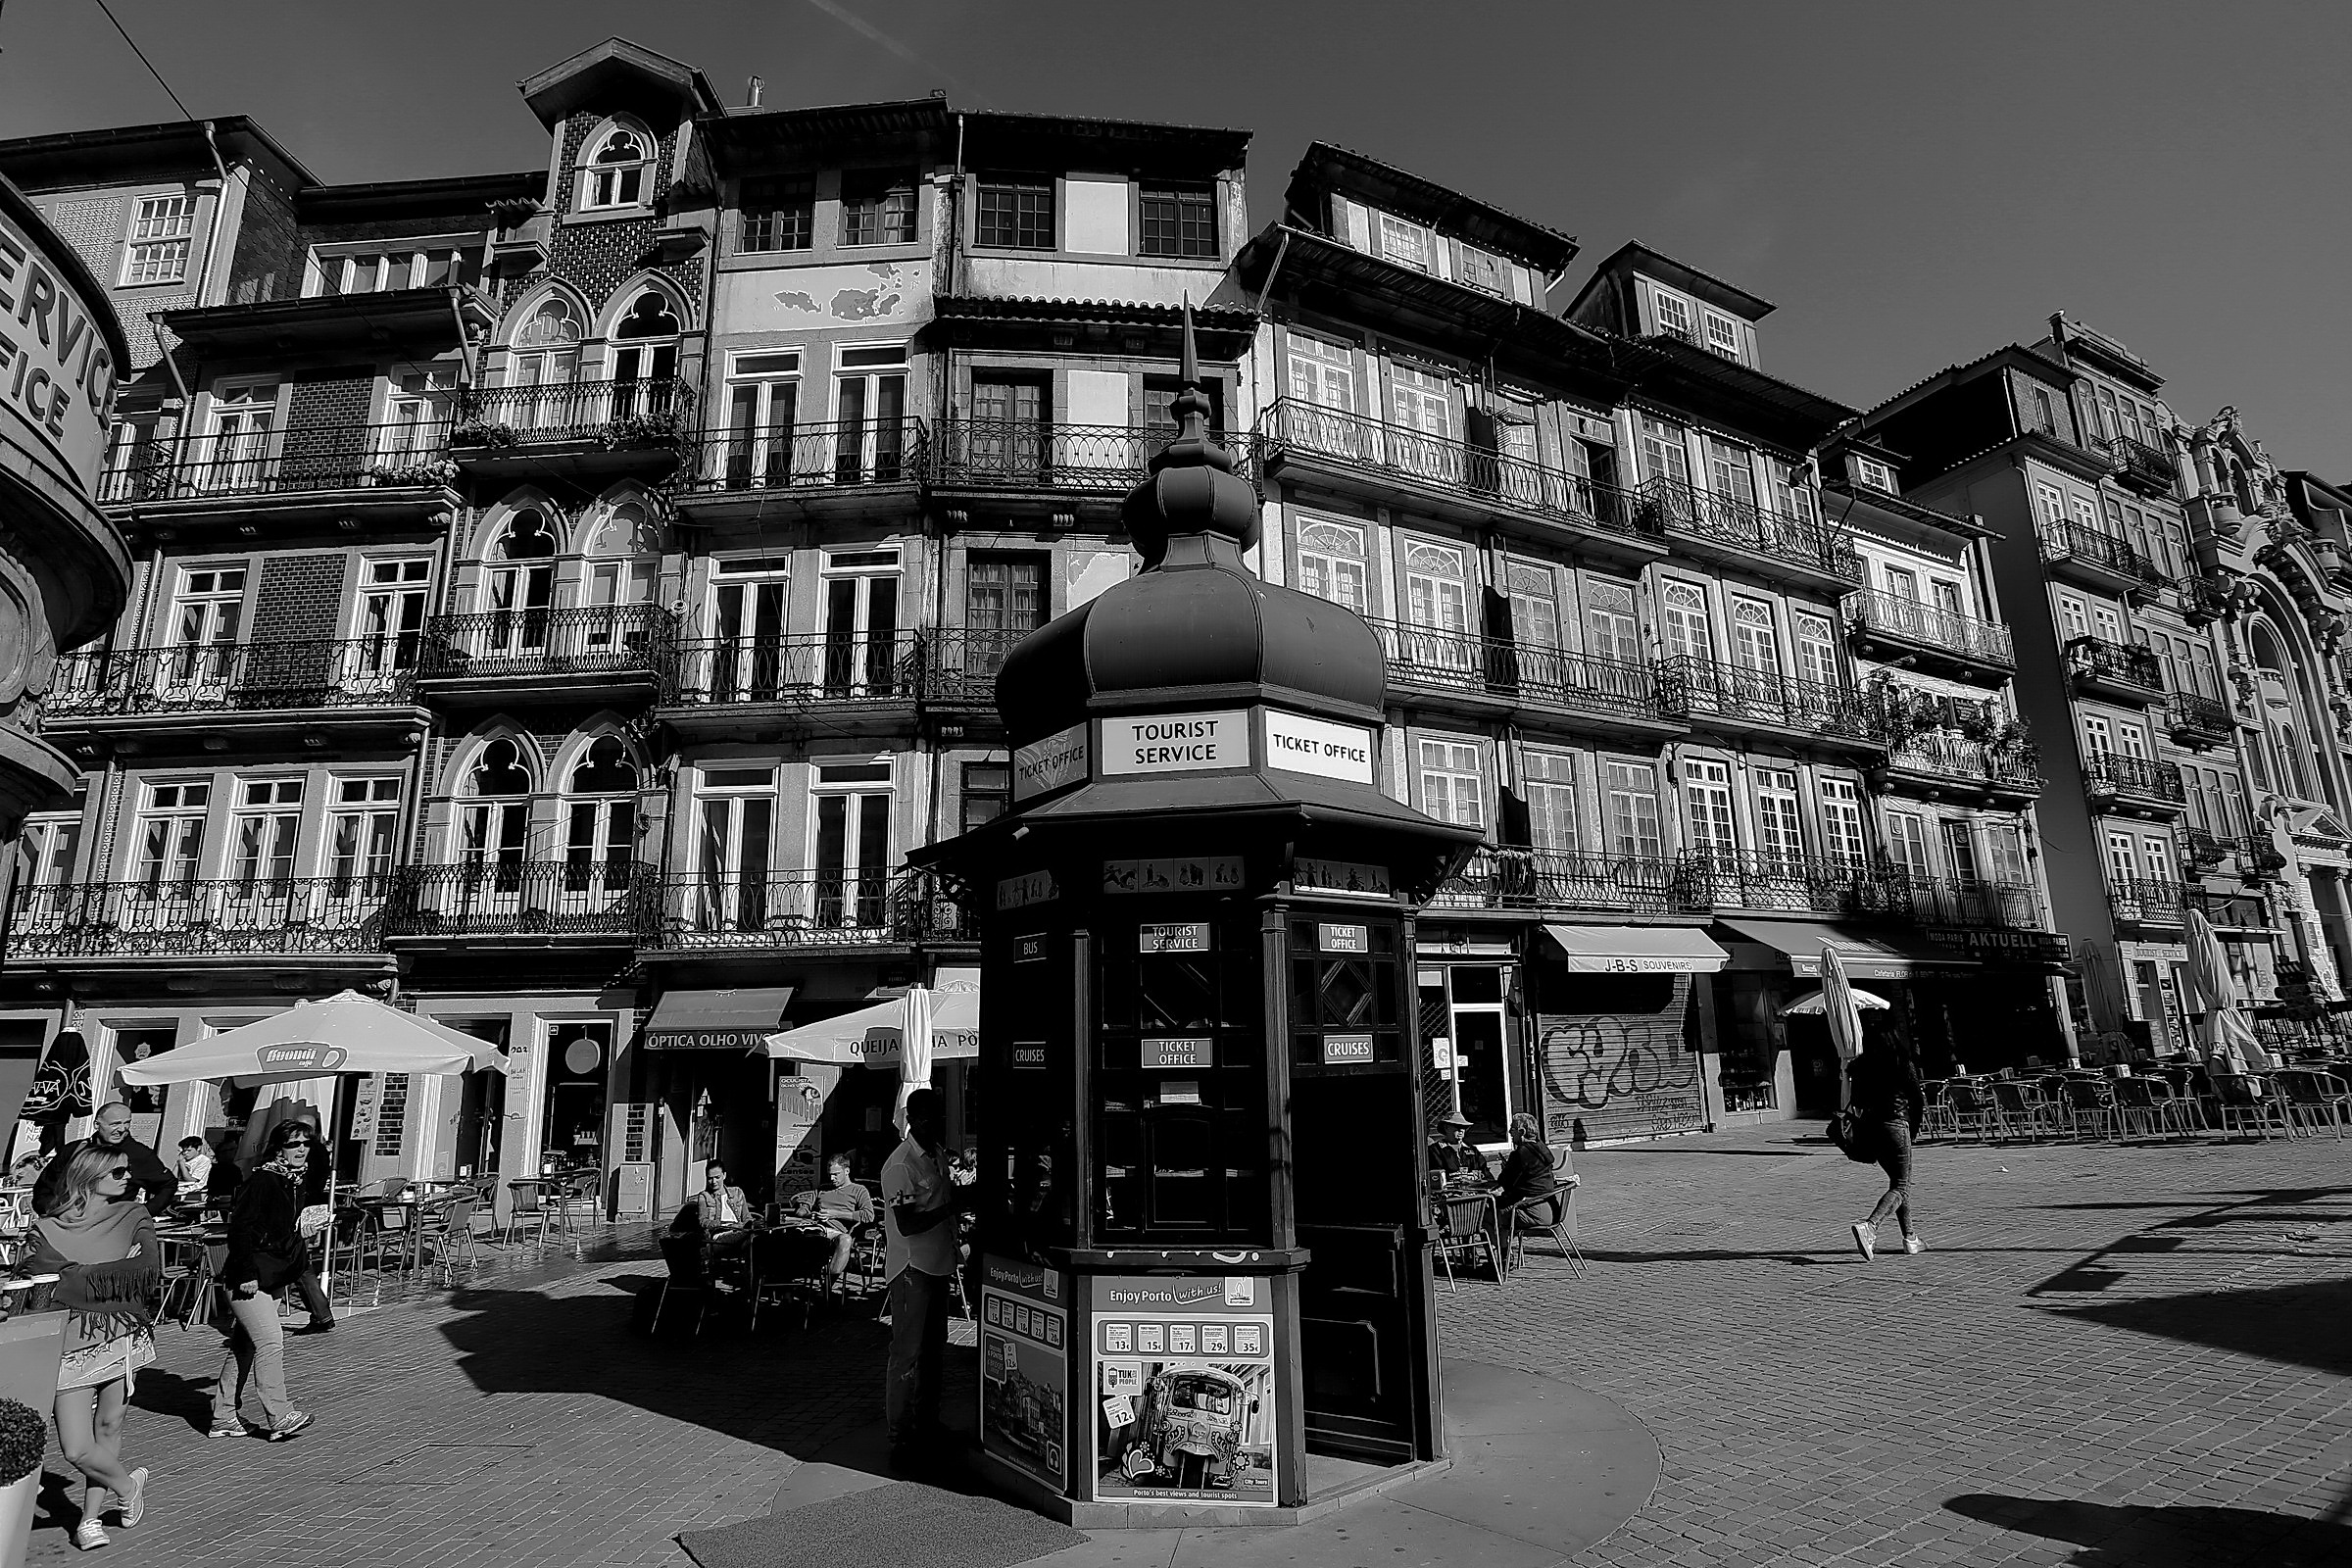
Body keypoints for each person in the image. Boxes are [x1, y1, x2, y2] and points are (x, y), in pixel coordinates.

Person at [27, 1142, 161, 1550]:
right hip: (69, 1345)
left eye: (128, 1172)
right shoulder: (46, 1226)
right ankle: (127, 1485)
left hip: (121, 1339)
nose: (128, 1179)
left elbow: (145, 1274)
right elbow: (39, 1282)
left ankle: (88, 1520)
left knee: (108, 1428)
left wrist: (73, 1278)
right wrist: (105, 1277)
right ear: (89, 1176)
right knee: (75, 1448)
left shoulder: (134, 1214)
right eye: (118, 1173)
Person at [211, 1120, 317, 1442]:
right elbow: (240, 1230)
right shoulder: (263, 1181)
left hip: (274, 1275)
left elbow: (281, 1232)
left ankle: (223, 1415)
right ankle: (280, 1415)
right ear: (277, 1148)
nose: (300, 1149)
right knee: (271, 1343)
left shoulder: (294, 1181)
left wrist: (303, 1232)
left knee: (244, 1346)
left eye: (305, 1143)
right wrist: (245, 1274)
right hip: (249, 1277)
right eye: (293, 1144)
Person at [881, 1088, 969, 1471]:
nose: (941, 1124)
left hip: (939, 1265)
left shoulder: (936, 1155)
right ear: (915, 1120)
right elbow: (908, 1222)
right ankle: (900, 1437)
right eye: (934, 1117)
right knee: (907, 1355)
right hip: (912, 1269)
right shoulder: (900, 1165)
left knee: (934, 1350)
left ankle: (928, 1424)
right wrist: (950, 1208)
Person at [1847, 1043, 1926, 1260]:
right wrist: (1914, 1129)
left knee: (1898, 1183)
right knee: (1902, 1187)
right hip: (1896, 1125)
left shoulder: (1861, 1066)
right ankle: (1870, 1226)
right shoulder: (1900, 1063)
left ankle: (1910, 1238)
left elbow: (1856, 1101)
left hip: (1872, 1127)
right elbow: (1917, 1098)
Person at [33, 1102, 176, 1217]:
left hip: (109, 1228)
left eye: (127, 1123)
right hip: (65, 1225)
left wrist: (142, 1213)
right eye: (115, 1124)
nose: (122, 1129)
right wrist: (52, 1211)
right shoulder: (75, 1149)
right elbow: (45, 1186)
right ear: (97, 1124)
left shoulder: (139, 1154)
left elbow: (168, 1184)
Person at [789, 1153, 875, 1283]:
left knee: (845, 1240)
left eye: (836, 1174)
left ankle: (827, 1288)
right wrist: (808, 1213)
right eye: (830, 1174)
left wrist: (835, 1214)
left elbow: (869, 1215)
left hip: (835, 1234)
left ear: (847, 1171)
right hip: (813, 1229)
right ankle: (786, 1287)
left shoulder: (858, 1190)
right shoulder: (823, 1189)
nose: (832, 1178)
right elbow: (801, 1211)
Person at [1493, 1113, 1560, 1239]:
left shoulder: (1521, 1153)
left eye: (1512, 1129)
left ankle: (1502, 1254)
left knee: (1490, 1214)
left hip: (1535, 1213)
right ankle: (1507, 1253)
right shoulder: (1542, 1148)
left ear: (1522, 1132)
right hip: (1554, 1211)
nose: (1509, 1132)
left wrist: (1506, 1169)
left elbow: (1505, 1182)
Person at [1427, 1110, 1493, 1184]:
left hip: (1476, 1192)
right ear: (1446, 1128)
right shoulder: (1435, 1150)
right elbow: (1437, 1177)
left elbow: (1486, 1174)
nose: (1461, 1130)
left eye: (1464, 1127)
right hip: (1450, 1193)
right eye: (1457, 1127)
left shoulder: (1472, 1150)